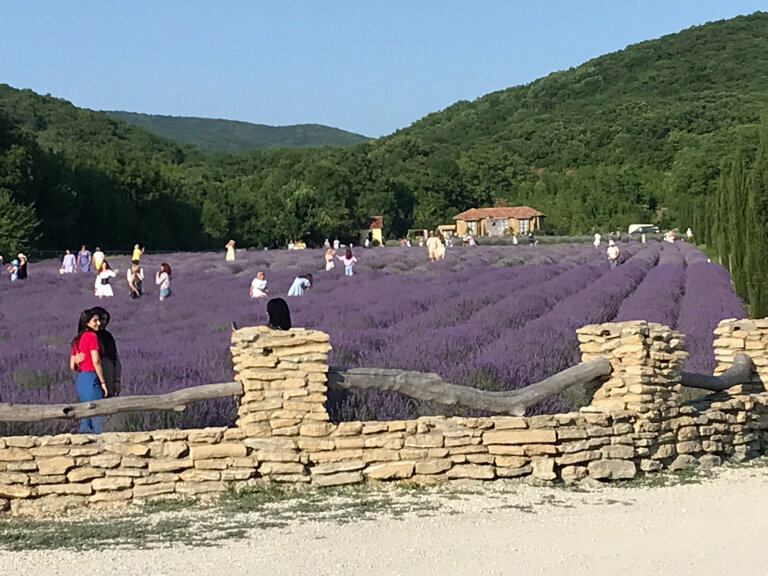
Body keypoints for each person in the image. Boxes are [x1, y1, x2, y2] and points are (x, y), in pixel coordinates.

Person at [70, 309, 109, 433]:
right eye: (95, 321)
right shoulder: (92, 336)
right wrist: (103, 383)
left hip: (82, 379)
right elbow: (96, 361)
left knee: (85, 416)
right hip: (91, 377)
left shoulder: (77, 339)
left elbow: (72, 366)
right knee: (97, 414)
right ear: (87, 323)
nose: (98, 323)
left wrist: (76, 359)